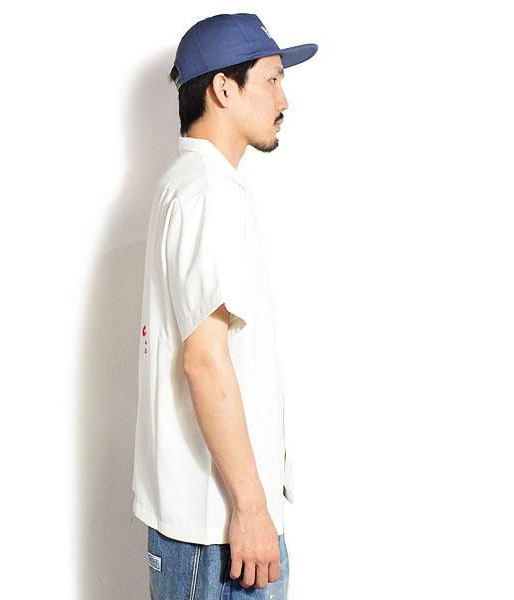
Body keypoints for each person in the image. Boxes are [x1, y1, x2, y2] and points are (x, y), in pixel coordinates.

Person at [132, 13, 318, 599]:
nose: (284, 100)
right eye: (272, 79)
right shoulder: (209, 193)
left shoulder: (188, 184)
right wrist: (252, 507)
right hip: (219, 539)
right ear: (222, 89)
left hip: (208, 530)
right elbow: (204, 360)